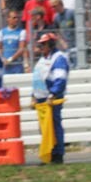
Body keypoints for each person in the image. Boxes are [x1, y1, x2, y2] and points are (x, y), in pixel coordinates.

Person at [31, 33, 69, 164]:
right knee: (44, 128)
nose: (40, 47)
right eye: (40, 44)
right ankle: (48, 153)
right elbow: (37, 79)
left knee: (54, 126)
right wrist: (33, 96)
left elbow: (60, 79)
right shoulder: (42, 59)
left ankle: (57, 154)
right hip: (41, 100)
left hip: (52, 99)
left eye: (43, 44)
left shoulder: (59, 59)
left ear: (51, 44)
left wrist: (52, 95)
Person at [0, 9, 28, 74]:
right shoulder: (2, 32)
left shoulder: (22, 32)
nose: (16, 20)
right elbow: (0, 48)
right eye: (14, 18)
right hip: (6, 66)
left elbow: (21, 48)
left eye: (17, 18)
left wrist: (11, 59)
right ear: (8, 19)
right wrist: (2, 59)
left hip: (17, 64)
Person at [50, 0, 76, 66]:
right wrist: (62, 42)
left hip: (75, 44)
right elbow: (56, 31)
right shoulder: (56, 17)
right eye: (52, 7)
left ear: (60, 4)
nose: (53, 9)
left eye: (54, 6)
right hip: (66, 46)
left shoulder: (71, 13)